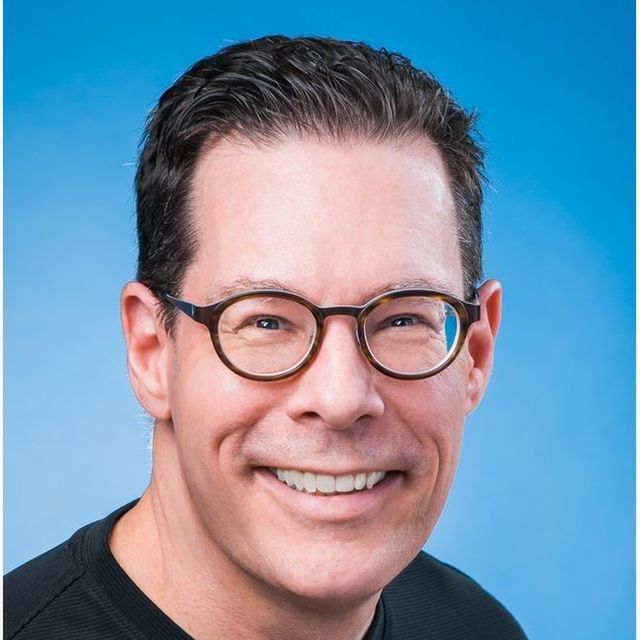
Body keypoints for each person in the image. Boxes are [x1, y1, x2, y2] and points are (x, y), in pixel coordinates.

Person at [5, 35, 527, 640]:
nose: (340, 398)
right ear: (152, 351)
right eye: (266, 321)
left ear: (476, 353)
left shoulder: (476, 626)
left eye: (403, 320)